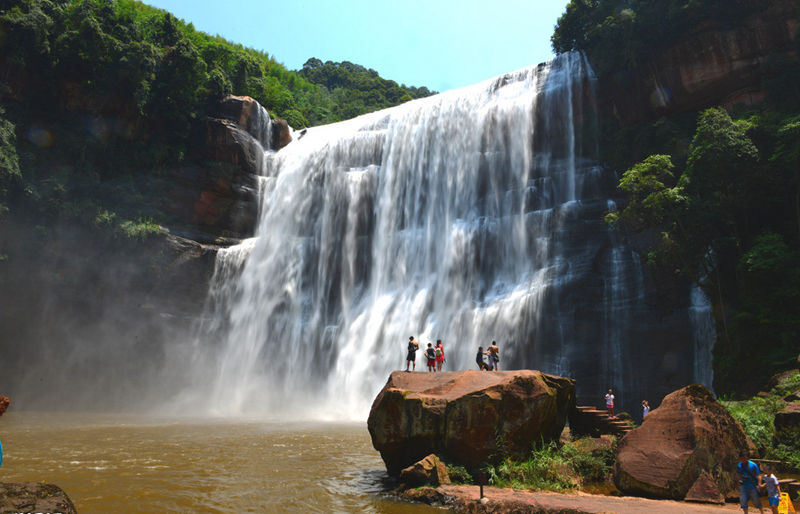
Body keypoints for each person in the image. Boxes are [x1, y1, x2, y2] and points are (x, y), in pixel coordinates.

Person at [736, 450, 765, 514]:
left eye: (745, 458)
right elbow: (739, 475)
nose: (743, 460)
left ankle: (762, 512)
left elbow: (759, 475)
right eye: (742, 458)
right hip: (744, 486)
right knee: (743, 501)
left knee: (756, 501)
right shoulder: (739, 465)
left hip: (752, 486)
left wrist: (759, 484)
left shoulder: (753, 465)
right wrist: (739, 484)